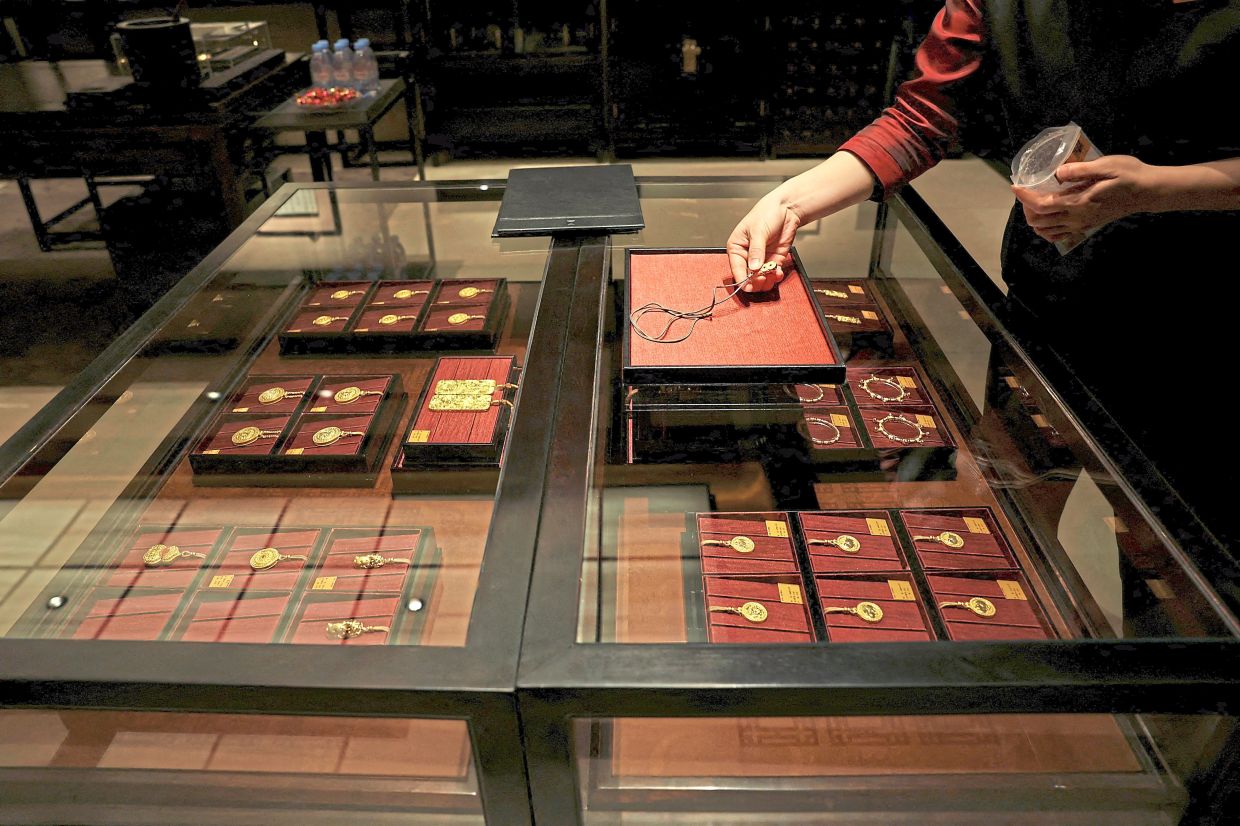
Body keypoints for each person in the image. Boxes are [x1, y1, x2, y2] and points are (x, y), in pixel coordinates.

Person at [729, 0, 1240, 538]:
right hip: (1053, 299)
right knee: (1007, 514)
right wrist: (788, 203)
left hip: (1205, 319)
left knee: (1173, 549)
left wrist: (1158, 190)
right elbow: (922, 117)